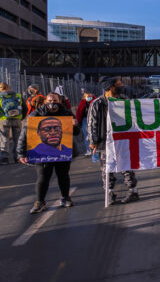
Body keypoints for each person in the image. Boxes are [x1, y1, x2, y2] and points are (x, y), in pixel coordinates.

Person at [17, 93, 78, 213]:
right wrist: (21, 153)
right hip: (42, 155)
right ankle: (40, 202)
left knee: (63, 175)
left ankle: (65, 198)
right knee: (43, 177)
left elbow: (76, 132)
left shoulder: (66, 113)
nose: (52, 102)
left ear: (60, 101)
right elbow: (25, 133)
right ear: (45, 101)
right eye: (50, 100)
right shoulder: (36, 114)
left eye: (55, 100)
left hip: (62, 153)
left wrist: (75, 125)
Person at [88, 77, 140, 205]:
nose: (122, 86)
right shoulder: (97, 103)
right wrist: (93, 140)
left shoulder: (124, 100)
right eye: (119, 84)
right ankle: (110, 193)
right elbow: (92, 123)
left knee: (126, 166)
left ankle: (133, 191)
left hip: (122, 141)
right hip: (105, 142)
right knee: (107, 168)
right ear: (111, 87)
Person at [0, 82, 25, 164]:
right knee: (17, 139)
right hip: (17, 119)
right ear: (9, 87)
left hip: (4, 120)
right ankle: (18, 157)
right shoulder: (17, 95)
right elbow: (25, 108)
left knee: (4, 139)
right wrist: (21, 117)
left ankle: (4, 158)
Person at [75, 92, 96, 156]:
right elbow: (79, 111)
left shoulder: (95, 102)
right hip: (85, 119)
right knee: (86, 134)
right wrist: (78, 120)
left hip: (93, 119)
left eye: (90, 96)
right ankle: (89, 149)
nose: (89, 98)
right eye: (87, 96)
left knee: (94, 133)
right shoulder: (82, 103)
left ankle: (94, 149)